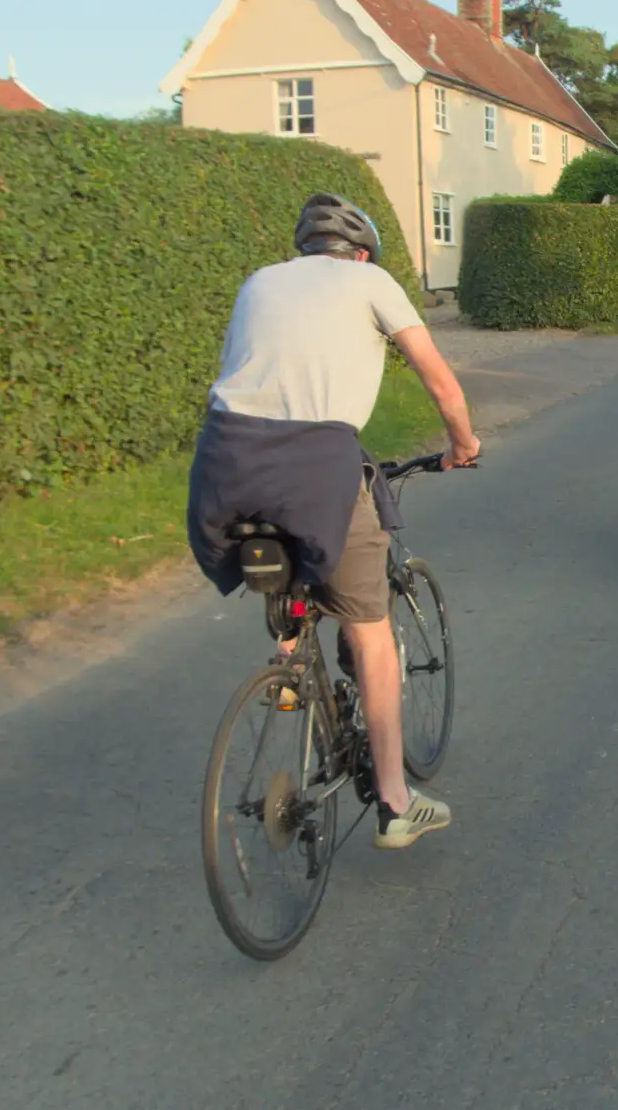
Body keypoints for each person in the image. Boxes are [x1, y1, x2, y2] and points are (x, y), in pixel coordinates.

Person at [187, 193, 481, 850]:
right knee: (370, 629)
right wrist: (462, 443)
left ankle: (289, 673)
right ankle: (396, 802)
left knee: (286, 567)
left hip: (224, 459)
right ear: (363, 251)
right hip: (317, 462)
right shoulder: (372, 281)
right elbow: (440, 382)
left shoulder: (259, 281)